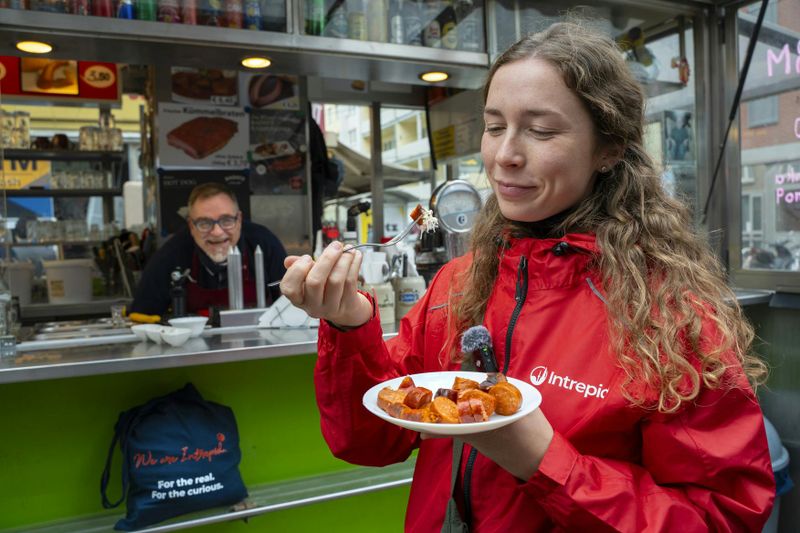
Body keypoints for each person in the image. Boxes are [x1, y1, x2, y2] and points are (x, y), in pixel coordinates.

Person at [280, 22, 775, 532]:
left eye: (540, 131)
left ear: (608, 149)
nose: (504, 155)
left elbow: (722, 519)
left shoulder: (670, 315)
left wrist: (544, 461)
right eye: (495, 127)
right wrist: (348, 324)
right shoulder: (458, 284)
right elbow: (369, 442)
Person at [131, 182, 286, 317]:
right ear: (191, 226)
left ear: (239, 220)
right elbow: (142, 317)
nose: (217, 232)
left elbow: (292, 306)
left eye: (226, 220)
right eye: (204, 223)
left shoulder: (264, 244)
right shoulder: (170, 256)